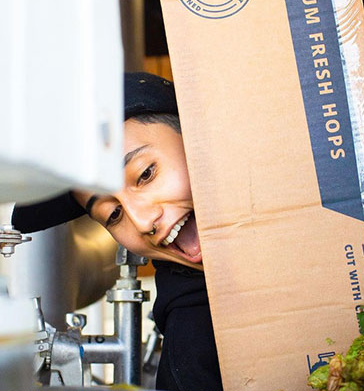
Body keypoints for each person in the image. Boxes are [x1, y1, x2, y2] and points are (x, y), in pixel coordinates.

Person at [12, 72, 223, 391]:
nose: (141, 222)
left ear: (196, 138)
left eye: (145, 174)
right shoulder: (194, 352)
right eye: (113, 214)